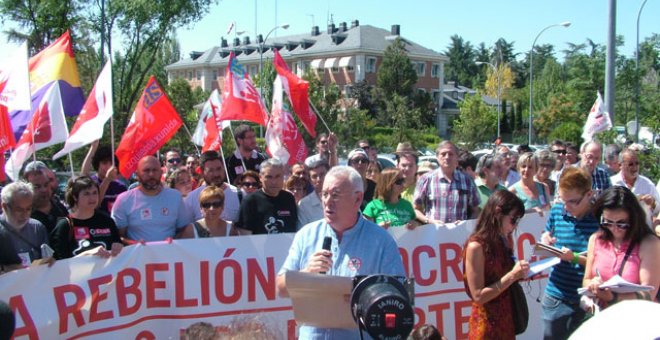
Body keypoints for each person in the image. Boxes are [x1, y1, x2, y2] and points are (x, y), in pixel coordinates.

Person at [276, 166, 405, 339]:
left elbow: (398, 296)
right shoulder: (306, 235)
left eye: (335, 195)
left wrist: (363, 297)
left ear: (357, 198)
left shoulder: (381, 241)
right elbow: (280, 288)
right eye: (324, 194)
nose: (328, 201)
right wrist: (306, 273)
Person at [540, 166, 599, 340]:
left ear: (589, 194)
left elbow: (601, 261)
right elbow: (547, 232)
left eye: (572, 201)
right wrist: (545, 239)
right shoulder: (558, 210)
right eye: (563, 200)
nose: (566, 207)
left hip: (587, 298)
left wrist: (574, 258)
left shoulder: (600, 218)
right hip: (556, 295)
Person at [463, 190, 529, 340]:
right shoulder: (476, 246)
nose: (515, 225)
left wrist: (520, 274)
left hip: (506, 321)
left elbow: (504, 278)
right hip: (486, 326)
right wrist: (512, 276)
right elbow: (478, 296)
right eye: (513, 219)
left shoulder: (504, 240)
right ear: (498, 213)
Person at [582, 186, 660, 310]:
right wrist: (593, 285)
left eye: (621, 223)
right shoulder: (596, 239)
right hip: (602, 316)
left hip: (636, 318)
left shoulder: (649, 243)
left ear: (633, 219)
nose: (614, 229)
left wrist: (613, 298)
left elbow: (649, 292)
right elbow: (586, 279)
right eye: (607, 222)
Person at [111, 156, 192, 243]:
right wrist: (133, 244)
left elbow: (184, 229)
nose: (151, 174)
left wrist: (175, 240)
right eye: (146, 170)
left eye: (155, 170)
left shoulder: (175, 197)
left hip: (170, 254)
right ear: (137, 174)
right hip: (138, 255)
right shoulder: (124, 200)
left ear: (161, 172)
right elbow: (117, 236)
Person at [50, 176, 123, 259]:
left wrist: (118, 246)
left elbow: (118, 245)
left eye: (95, 193)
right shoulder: (65, 226)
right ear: (75, 197)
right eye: (86, 194)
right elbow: (58, 263)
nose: (92, 198)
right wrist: (86, 254)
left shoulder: (107, 221)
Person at [414, 141, 480, 224]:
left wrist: (465, 223)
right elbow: (416, 209)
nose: (447, 157)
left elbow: (476, 210)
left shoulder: (467, 181)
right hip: (433, 233)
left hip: (460, 233)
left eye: (451, 154)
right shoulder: (425, 179)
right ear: (437, 157)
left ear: (457, 157)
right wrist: (429, 221)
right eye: (443, 154)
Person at [237, 159, 297, 234]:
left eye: (278, 176)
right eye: (269, 177)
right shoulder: (250, 201)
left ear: (283, 176)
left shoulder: (289, 198)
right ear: (260, 177)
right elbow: (245, 236)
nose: (274, 182)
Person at [0, 182, 52, 268]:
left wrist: (49, 261)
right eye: (19, 210)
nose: (24, 215)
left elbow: (48, 260)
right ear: (5, 207)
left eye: (28, 209)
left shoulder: (37, 228)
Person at [184, 151, 241, 224]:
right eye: (211, 170)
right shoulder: (191, 199)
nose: (216, 174)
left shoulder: (239, 195)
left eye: (219, 169)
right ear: (202, 171)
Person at [610, 148, 659, 218]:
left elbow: (658, 210)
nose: (635, 167)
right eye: (630, 164)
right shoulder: (612, 183)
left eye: (637, 163)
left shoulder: (648, 184)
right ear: (620, 165)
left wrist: (653, 203)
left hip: (642, 228)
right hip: (619, 228)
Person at [81, 142, 128, 213]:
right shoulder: (92, 182)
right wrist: (93, 147)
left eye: (112, 163)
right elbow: (95, 204)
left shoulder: (121, 186)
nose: (109, 167)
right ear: (97, 164)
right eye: (104, 163)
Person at [22, 162, 68, 234]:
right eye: (37, 187)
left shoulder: (61, 209)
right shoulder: (24, 215)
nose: (44, 190)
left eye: (46, 184)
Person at [297, 159, 328, 228]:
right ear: (310, 181)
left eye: (322, 174)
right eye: (314, 176)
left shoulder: (341, 199)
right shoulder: (304, 204)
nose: (319, 179)